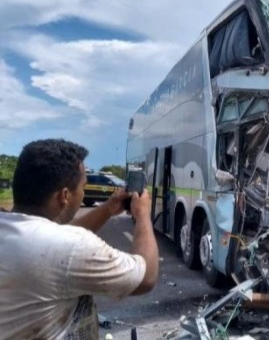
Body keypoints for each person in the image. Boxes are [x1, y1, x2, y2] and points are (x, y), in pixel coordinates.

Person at [0, 139, 159, 339]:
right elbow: (145, 278)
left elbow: (54, 239)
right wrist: (143, 215)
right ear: (64, 196)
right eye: (82, 187)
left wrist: (108, 208)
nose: (83, 195)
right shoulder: (69, 246)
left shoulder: (18, 231)